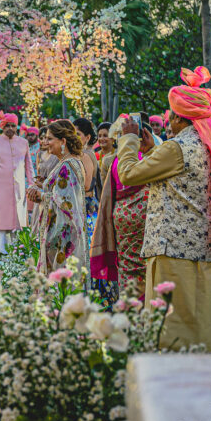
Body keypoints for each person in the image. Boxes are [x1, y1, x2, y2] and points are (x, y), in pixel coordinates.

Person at [116, 67, 211, 351]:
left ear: (180, 117)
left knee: (172, 329)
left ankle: (175, 390)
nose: (168, 121)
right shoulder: (210, 145)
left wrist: (128, 140)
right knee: (204, 324)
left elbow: (127, 174)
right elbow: (176, 173)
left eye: (171, 115)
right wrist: (154, 146)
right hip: (207, 250)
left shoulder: (176, 148)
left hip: (173, 251)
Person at [90, 117, 153, 300]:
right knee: (145, 268)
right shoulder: (144, 157)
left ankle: (129, 310)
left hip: (121, 218)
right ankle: (145, 311)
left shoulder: (118, 160)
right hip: (143, 219)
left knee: (128, 267)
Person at [29, 120, 87, 273]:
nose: (45, 142)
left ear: (63, 141)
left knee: (61, 281)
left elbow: (65, 202)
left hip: (64, 234)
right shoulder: (67, 162)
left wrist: (41, 196)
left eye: (49, 139)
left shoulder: (67, 165)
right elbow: (60, 192)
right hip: (64, 230)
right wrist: (42, 186)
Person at [0, 111, 34, 255]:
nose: (10, 129)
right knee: (1, 223)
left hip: (19, 189)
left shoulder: (23, 143)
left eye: (13, 126)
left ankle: (17, 254)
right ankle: (4, 253)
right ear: (2, 127)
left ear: (17, 127)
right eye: (7, 126)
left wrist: (32, 185)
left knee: (18, 222)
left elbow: (29, 166)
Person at [73, 118, 100, 259]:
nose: (74, 137)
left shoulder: (86, 155)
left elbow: (87, 185)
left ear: (87, 137)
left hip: (86, 204)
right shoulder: (81, 153)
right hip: (83, 203)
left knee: (86, 247)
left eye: (78, 134)